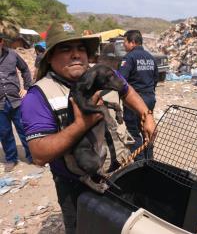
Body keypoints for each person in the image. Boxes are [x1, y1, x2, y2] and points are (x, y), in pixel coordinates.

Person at [20, 22, 155, 234]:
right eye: (65, 49)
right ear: (50, 57)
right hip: (78, 187)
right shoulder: (38, 97)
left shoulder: (103, 73)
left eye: (80, 48)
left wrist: (146, 115)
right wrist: (83, 124)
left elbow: (127, 91)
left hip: (121, 173)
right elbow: (38, 154)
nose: (76, 55)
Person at [119, 30, 159, 160]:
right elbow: (155, 79)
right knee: (147, 130)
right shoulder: (151, 57)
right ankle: (149, 159)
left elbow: (121, 80)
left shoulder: (129, 58)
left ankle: (140, 162)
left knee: (133, 132)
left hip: (135, 101)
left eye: (124, 42)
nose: (123, 45)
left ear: (132, 42)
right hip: (149, 98)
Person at [0, 33, 33, 172]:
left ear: (1, 42)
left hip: (16, 101)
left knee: (24, 129)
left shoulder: (12, 55)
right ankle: (11, 159)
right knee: (4, 132)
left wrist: (26, 87)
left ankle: (32, 156)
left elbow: (25, 69)